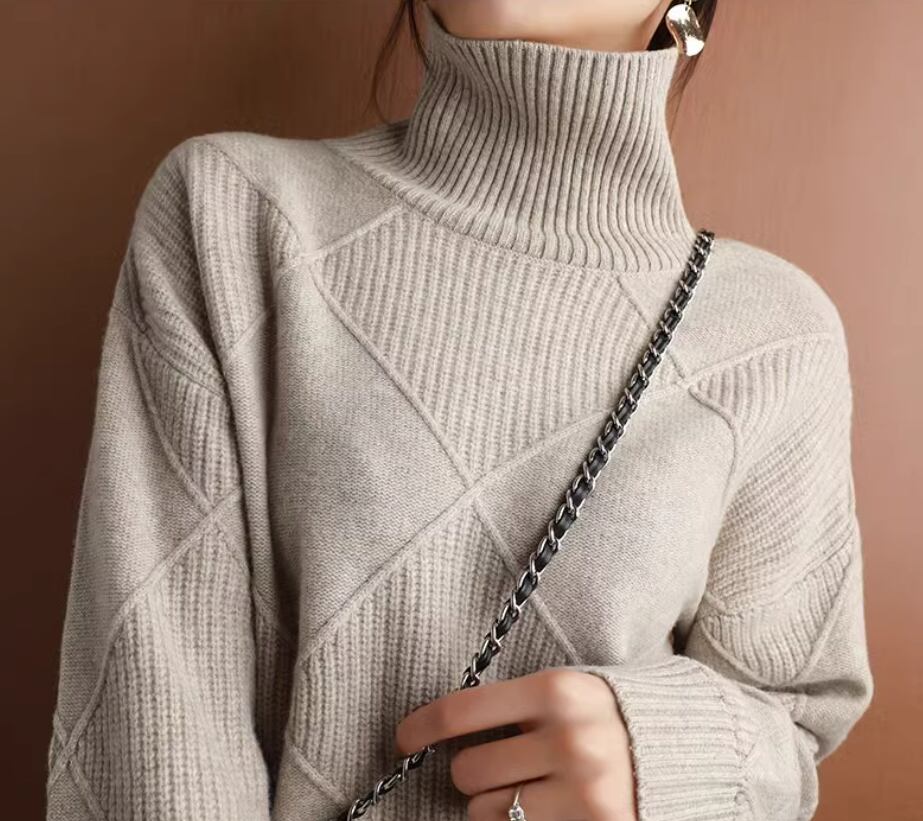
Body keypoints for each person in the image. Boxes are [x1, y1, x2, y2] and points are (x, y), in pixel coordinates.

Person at [45, 2, 874, 820]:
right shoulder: (234, 215)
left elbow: (792, 720)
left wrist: (668, 749)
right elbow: (155, 740)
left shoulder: (773, 335)